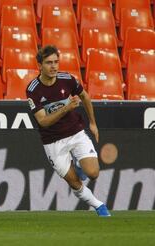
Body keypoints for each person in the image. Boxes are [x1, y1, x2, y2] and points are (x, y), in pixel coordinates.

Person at [26, 45, 111, 217]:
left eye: (56, 62)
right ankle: (99, 206)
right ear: (39, 66)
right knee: (74, 182)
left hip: (75, 132)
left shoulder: (68, 79)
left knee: (93, 173)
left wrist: (93, 123)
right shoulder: (33, 89)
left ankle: (79, 164)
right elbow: (43, 121)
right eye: (49, 63)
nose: (54, 67)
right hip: (53, 141)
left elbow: (85, 96)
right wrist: (66, 108)